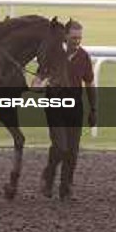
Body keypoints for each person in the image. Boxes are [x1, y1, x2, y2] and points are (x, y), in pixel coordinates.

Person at [42, 19, 97, 199]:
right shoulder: (53, 55)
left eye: (79, 38)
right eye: (74, 37)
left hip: (75, 108)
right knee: (60, 146)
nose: (77, 41)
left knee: (72, 150)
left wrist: (93, 109)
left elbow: (89, 83)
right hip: (55, 106)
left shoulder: (84, 57)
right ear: (65, 36)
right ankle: (48, 176)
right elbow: (39, 79)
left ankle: (66, 188)